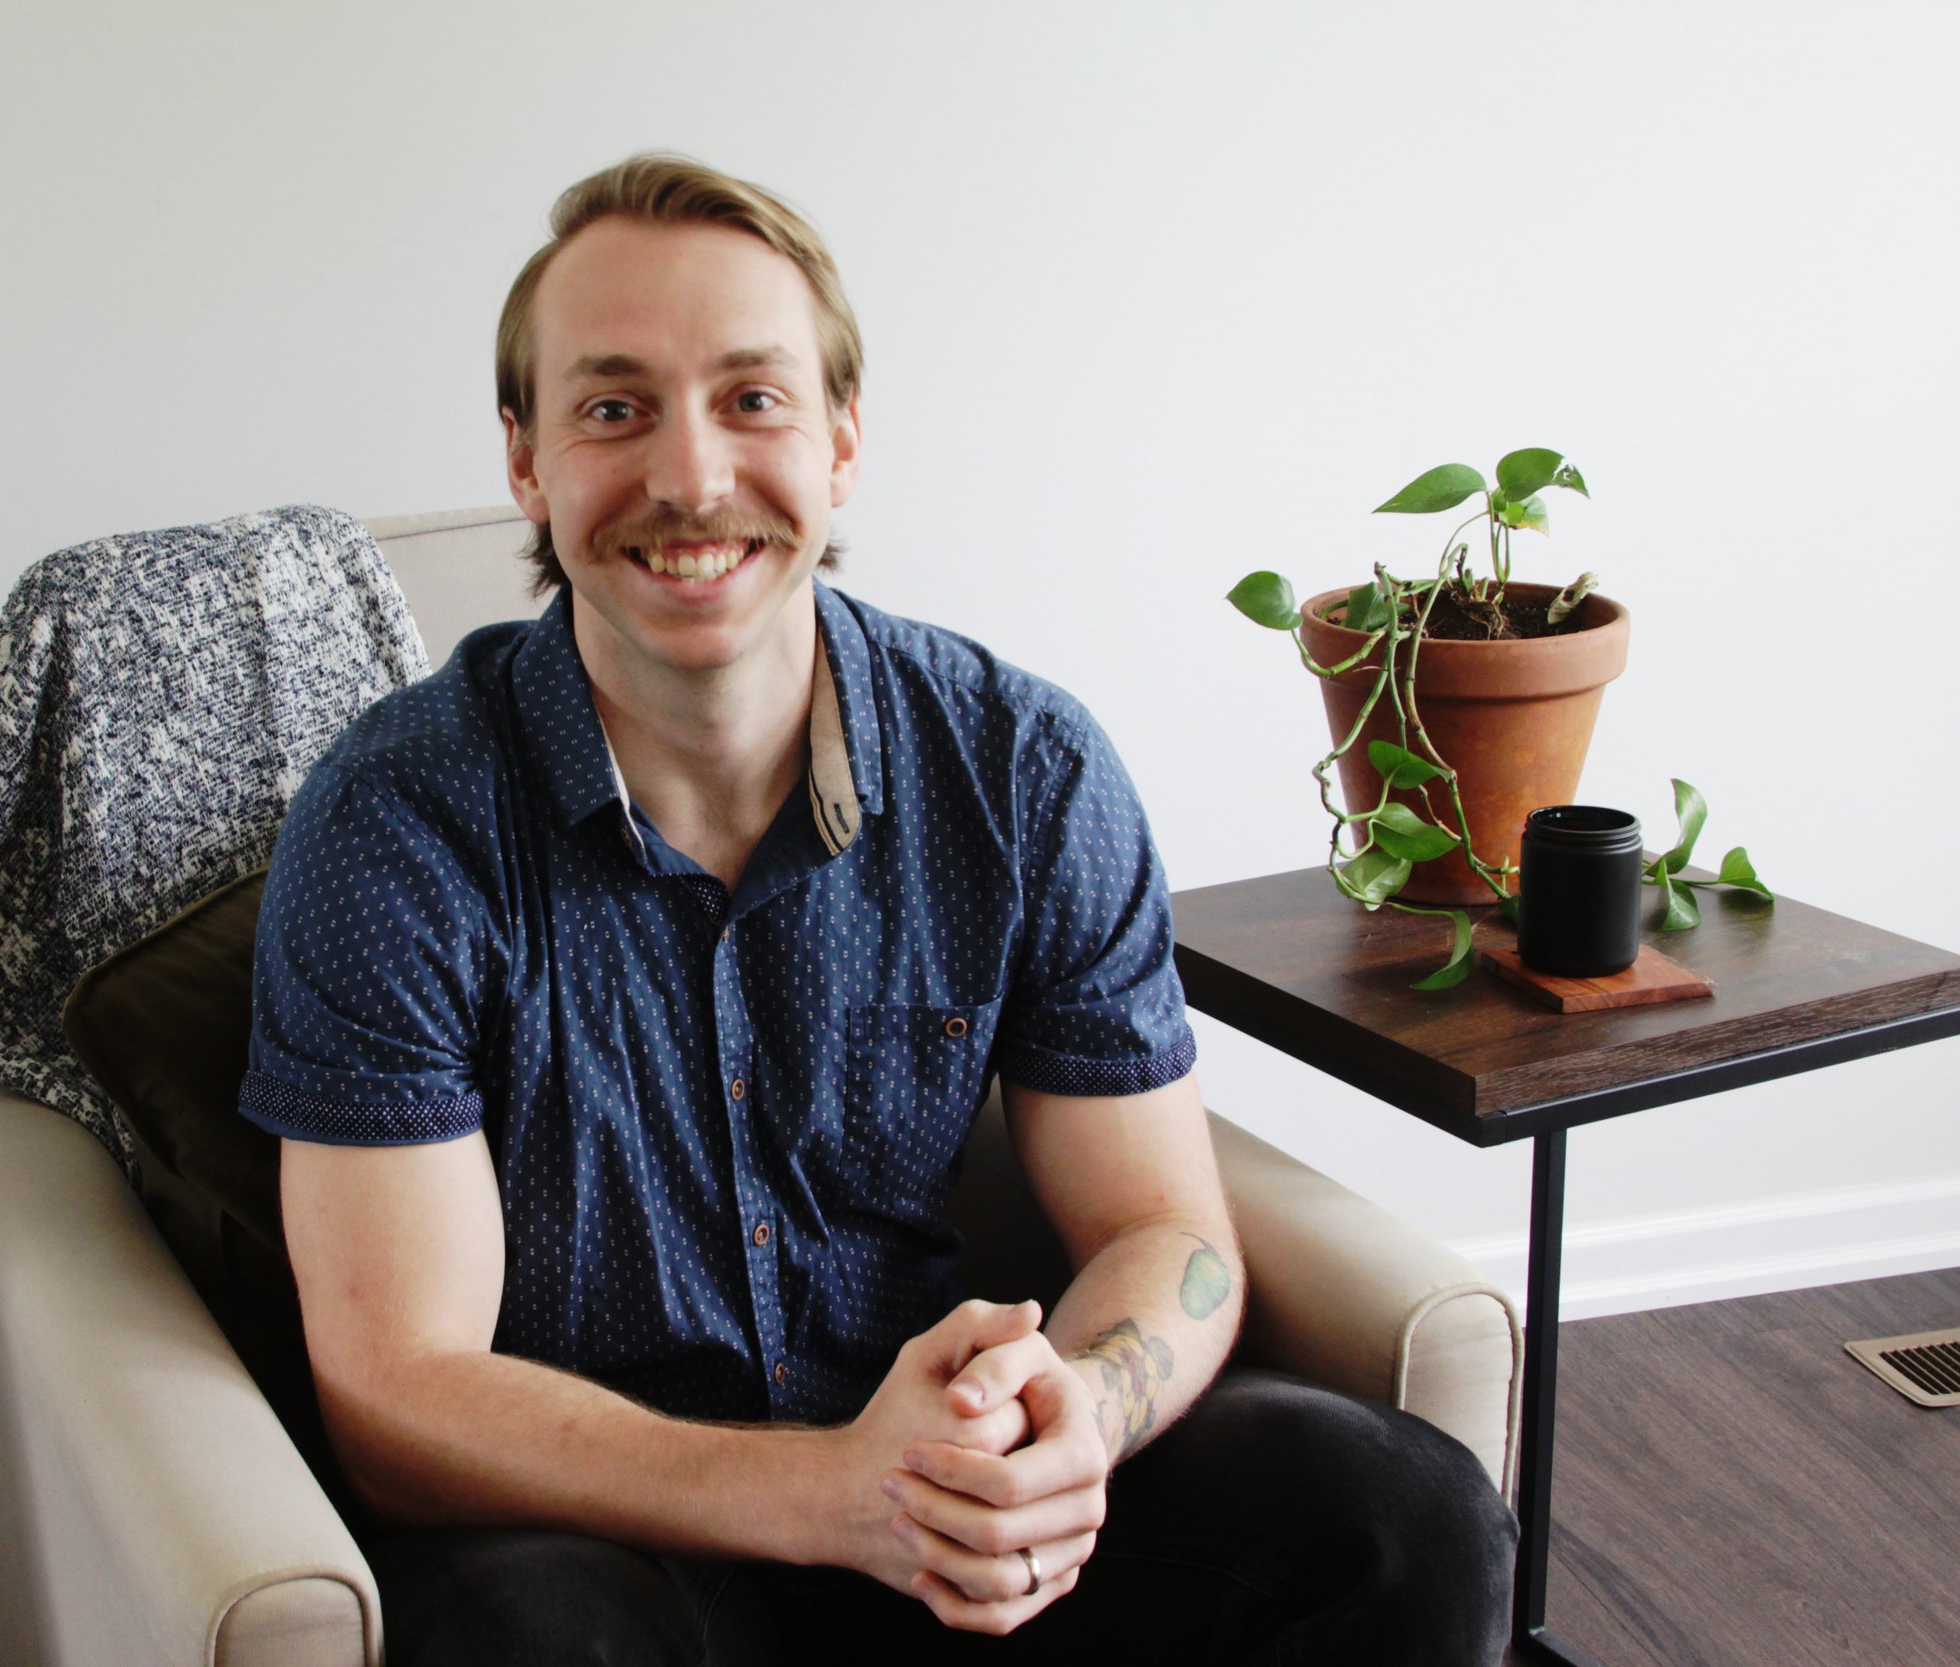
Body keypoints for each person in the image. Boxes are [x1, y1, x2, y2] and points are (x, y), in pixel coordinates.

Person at [238, 153, 1516, 1664]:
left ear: (843, 437)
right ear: (527, 461)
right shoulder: (394, 826)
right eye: (614, 408)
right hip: (612, 1528)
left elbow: (1162, 1226)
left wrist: (1071, 1424)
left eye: (753, 398)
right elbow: (397, 1391)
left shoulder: (1022, 768)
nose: (691, 477)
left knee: (1401, 1516)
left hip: (942, 1475)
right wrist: (827, 1493)